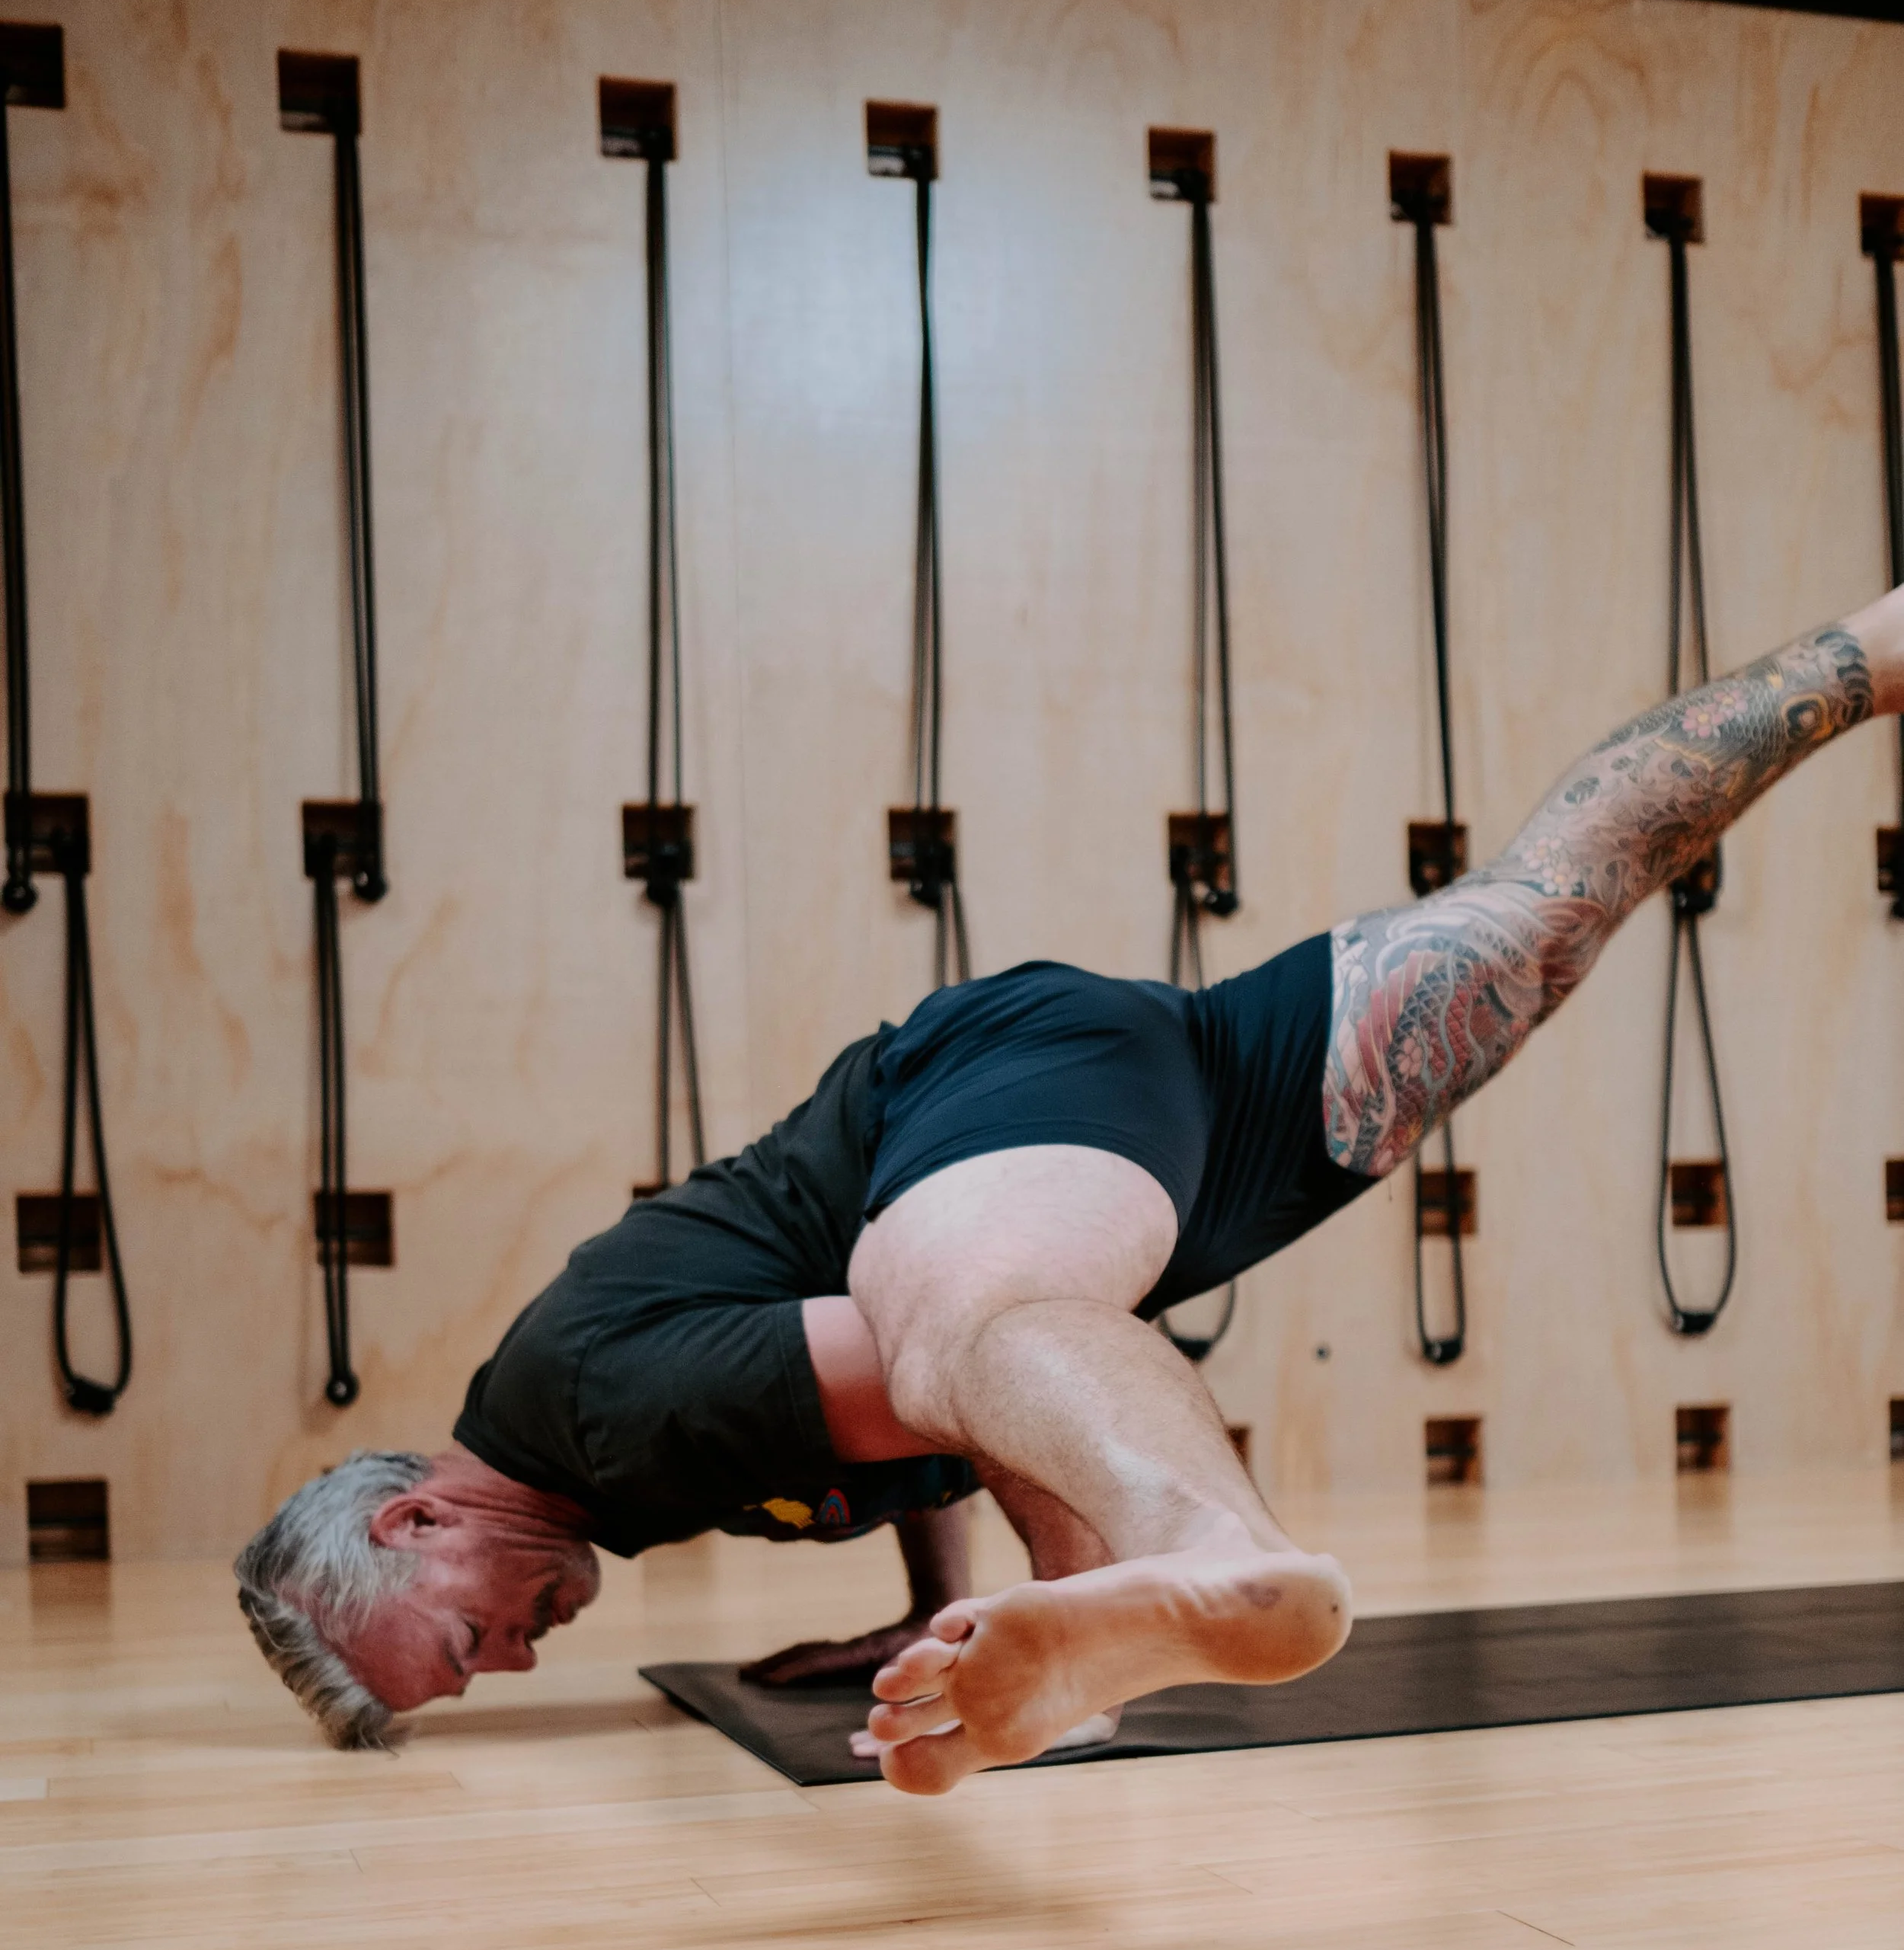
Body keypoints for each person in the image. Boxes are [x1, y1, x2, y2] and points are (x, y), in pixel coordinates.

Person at [236, 593, 1902, 1792]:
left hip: (993, 1100)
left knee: (962, 1326)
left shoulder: (595, 1426)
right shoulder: (590, 1459)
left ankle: (1206, 1549)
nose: (517, 1660)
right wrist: (938, 1602)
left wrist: (1066, 1592)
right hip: (1143, 1113)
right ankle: (1865, 653)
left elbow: (936, 1367)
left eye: (466, 1646)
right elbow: (881, 1409)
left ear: (414, 1520)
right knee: (1546, 908)